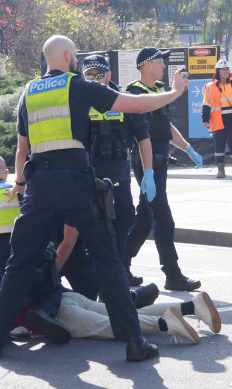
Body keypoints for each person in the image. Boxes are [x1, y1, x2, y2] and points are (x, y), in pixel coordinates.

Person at [0, 35, 190, 362]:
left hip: (39, 186)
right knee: (108, 261)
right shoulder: (77, 86)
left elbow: (22, 150)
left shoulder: (29, 93)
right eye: (75, 55)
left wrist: (20, 185)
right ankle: (134, 343)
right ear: (67, 55)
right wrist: (175, 93)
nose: (77, 60)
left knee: (18, 264)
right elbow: (134, 104)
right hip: (77, 182)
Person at [0, 153, 68, 345]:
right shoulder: (26, 193)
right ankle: (42, 311)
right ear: (7, 173)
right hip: (34, 268)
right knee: (53, 289)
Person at [123, 47, 203, 290]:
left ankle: (120, 263)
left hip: (159, 161)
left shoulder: (158, 90)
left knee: (145, 218)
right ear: (146, 65)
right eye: (160, 62)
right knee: (163, 218)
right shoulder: (134, 93)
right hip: (145, 162)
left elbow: (166, 128)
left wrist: (188, 148)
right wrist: (147, 173)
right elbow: (142, 131)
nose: (164, 67)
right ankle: (172, 273)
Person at [80, 54, 154, 287]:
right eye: (88, 75)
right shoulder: (78, 102)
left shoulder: (126, 100)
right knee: (91, 225)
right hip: (89, 174)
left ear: (109, 75)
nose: (93, 79)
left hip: (119, 172)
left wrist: (149, 173)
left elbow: (143, 138)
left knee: (123, 220)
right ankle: (96, 274)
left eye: (98, 74)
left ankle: (122, 269)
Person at [0, 285, 221, 345]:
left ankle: (165, 324)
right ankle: (191, 306)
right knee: (127, 312)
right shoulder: (0, 286)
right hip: (66, 296)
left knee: (110, 326)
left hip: (60, 314)